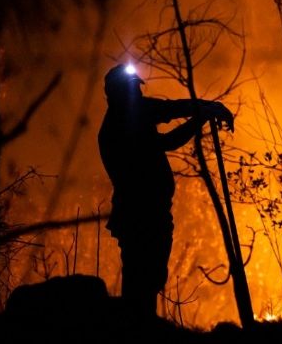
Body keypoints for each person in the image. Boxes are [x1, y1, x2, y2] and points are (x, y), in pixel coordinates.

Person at [97, 63, 234, 317]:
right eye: (132, 90)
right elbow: (168, 136)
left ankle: (139, 323)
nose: (138, 94)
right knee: (142, 282)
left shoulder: (130, 115)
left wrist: (204, 108)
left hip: (148, 214)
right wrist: (204, 113)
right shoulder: (121, 125)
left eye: (137, 88)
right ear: (117, 94)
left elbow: (169, 109)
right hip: (140, 216)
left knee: (149, 280)